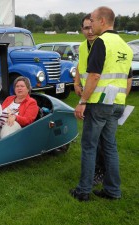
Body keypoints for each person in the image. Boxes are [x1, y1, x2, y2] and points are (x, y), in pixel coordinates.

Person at [70, 6, 133, 201]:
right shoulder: (125, 46)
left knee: (89, 145)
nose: (91, 26)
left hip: (99, 103)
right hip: (118, 104)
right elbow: (127, 78)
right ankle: (113, 190)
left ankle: (83, 191)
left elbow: (95, 76)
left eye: (94, 22)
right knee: (110, 147)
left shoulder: (101, 42)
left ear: (102, 22)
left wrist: (82, 102)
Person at [74, 14, 106, 186]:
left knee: (98, 138)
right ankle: (98, 171)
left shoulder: (103, 45)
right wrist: (76, 82)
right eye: (86, 28)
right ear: (82, 30)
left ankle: (99, 171)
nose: (89, 31)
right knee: (94, 137)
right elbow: (80, 66)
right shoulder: (82, 46)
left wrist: (83, 101)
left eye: (91, 27)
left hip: (100, 98)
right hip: (88, 96)